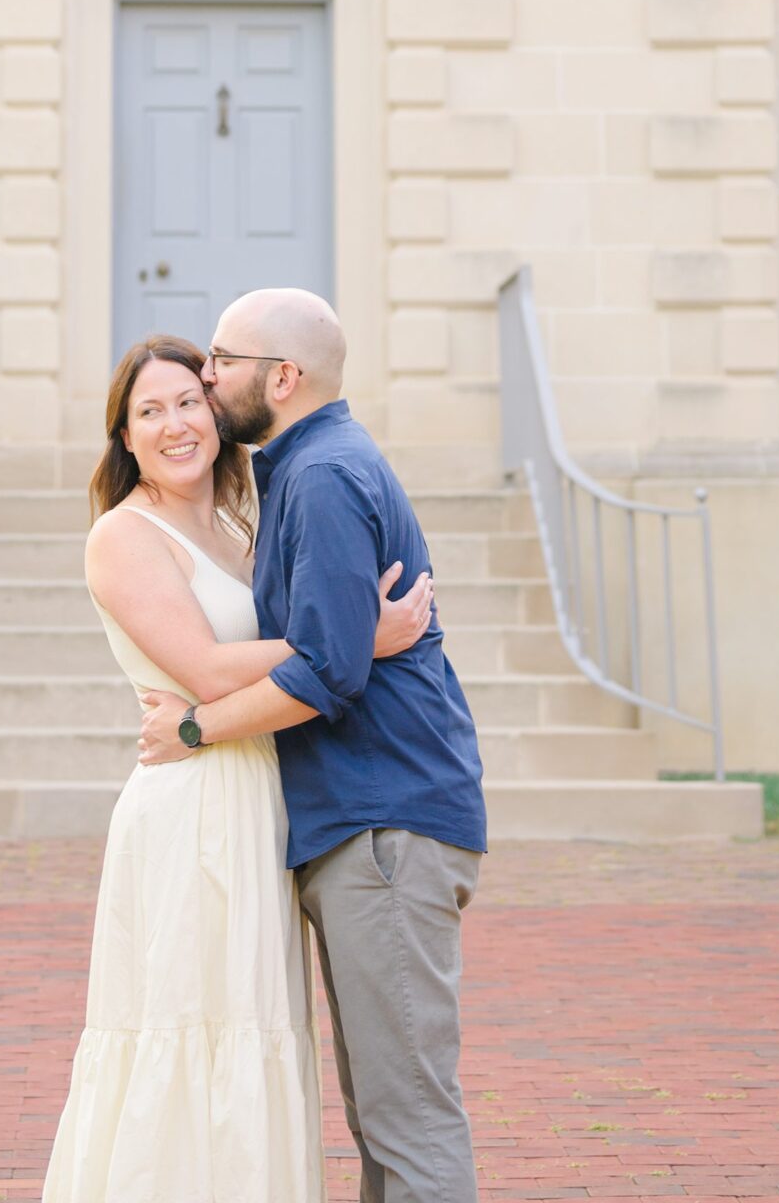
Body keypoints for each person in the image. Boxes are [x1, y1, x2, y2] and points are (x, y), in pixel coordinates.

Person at [41, 332, 433, 1203]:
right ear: (126, 436)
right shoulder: (122, 535)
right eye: (150, 411)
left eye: (190, 402)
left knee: (254, 1031)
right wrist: (357, 640)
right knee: (184, 1029)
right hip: (190, 805)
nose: (175, 424)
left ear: (217, 414)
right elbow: (211, 671)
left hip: (258, 793)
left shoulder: (236, 523)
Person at [139, 290, 488, 1203]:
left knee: (405, 1113)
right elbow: (335, 645)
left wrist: (192, 728)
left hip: (384, 823)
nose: (207, 378)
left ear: (282, 377)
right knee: (382, 1110)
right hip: (366, 825)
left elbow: (329, 669)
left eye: (222, 359)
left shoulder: (324, 473)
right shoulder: (300, 468)